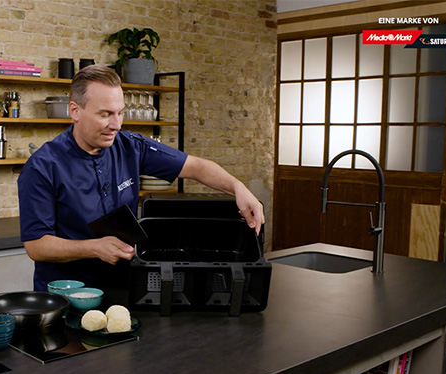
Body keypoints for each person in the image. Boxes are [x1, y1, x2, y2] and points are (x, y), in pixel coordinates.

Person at [18, 65, 264, 292]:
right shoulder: (42, 166)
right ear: (75, 111)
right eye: (105, 114)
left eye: (120, 113)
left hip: (124, 286)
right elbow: (36, 245)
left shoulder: (131, 146)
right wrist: (93, 248)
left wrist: (238, 188)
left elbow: (197, 167)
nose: (116, 124)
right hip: (67, 293)